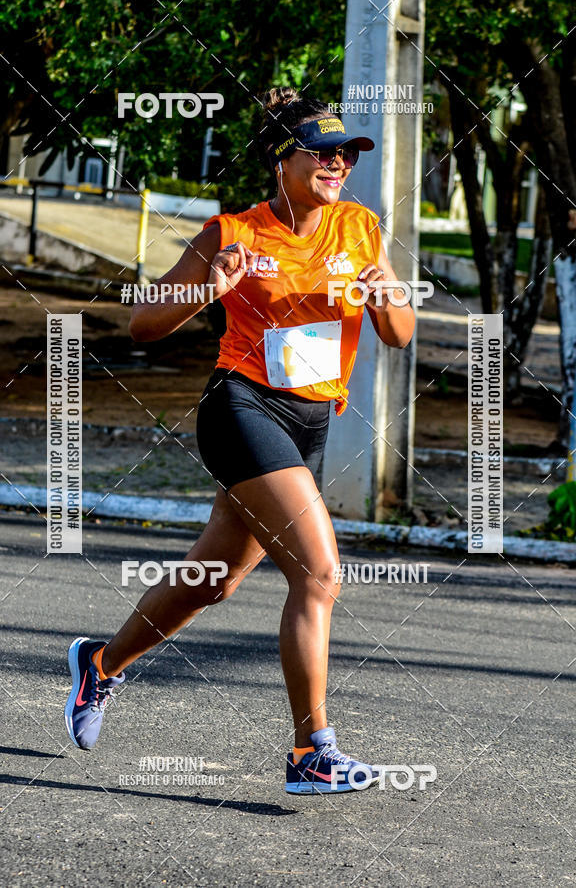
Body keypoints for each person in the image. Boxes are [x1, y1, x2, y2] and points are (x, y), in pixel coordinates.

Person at [64, 87, 415, 794]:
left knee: (213, 581)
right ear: (281, 162)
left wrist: (391, 296)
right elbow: (142, 326)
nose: (337, 163)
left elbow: (398, 335)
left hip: (311, 422)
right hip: (242, 407)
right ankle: (311, 752)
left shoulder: (360, 228)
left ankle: (99, 665)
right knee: (318, 575)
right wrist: (207, 289)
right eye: (320, 152)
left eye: (344, 153)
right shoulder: (233, 233)